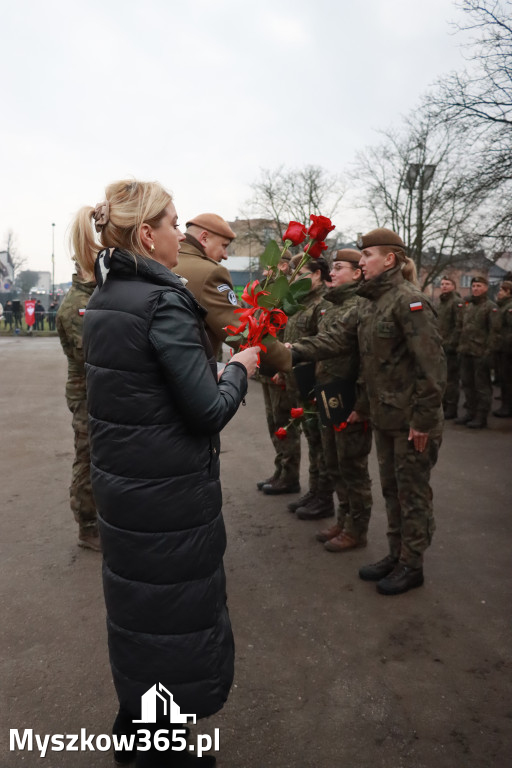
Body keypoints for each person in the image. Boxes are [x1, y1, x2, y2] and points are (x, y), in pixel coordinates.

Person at [73, 179, 259, 768]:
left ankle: (135, 726)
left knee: (140, 611)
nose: (183, 235)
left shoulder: (107, 295)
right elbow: (206, 411)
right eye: (175, 223)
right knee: (173, 618)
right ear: (147, 234)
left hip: (129, 489)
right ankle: (165, 749)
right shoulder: (163, 301)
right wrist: (238, 368)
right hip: (168, 497)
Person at [290, 249, 373, 550]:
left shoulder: (360, 305)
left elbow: (364, 359)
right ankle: (344, 519)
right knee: (335, 463)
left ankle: (357, 530)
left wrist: (362, 404)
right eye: (332, 267)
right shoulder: (332, 306)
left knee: (353, 468)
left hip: (348, 396)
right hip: (329, 393)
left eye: (339, 268)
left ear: (357, 272)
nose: (332, 273)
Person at [271, 256, 333, 511]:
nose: (296, 280)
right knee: (311, 436)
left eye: (302, 274)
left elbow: (325, 345)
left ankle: (324, 496)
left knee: (321, 443)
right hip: (299, 381)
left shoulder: (322, 304)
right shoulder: (300, 304)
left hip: (315, 382)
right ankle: (314, 491)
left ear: (318, 275)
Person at [56, 261, 99, 551]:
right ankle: (88, 527)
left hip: (96, 389)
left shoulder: (93, 297)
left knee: (100, 456)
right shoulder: (77, 305)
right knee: (87, 457)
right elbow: (92, 352)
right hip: (85, 391)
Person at [172, 213, 239, 358]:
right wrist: (288, 357)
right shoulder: (211, 273)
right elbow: (238, 330)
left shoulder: (164, 260)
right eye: (224, 246)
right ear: (204, 238)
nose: (225, 255)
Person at [456, 275, 498, 428]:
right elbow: (461, 326)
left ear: (486, 288)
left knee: (482, 386)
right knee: (467, 384)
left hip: (480, 353)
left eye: (479, 286)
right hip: (466, 350)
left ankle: (481, 416)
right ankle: (470, 413)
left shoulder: (490, 307)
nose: (475, 289)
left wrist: (488, 352)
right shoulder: (469, 305)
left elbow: (494, 332)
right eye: (473, 286)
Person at [437, 276, 464, 419]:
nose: (444, 286)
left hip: (450, 348)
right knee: (441, 378)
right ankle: (444, 404)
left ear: (454, 286)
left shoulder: (456, 302)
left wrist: (451, 343)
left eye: (447, 284)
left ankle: (452, 407)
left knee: (451, 379)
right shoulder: (441, 302)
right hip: (440, 346)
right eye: (442, 284)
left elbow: (459, 326)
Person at [492, 280, 512, 417]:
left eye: (501, 290)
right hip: (502, 347)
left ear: (508, 292)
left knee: (508, 380)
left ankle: (507, 407)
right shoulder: (502, 306)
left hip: (507, 349)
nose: (499, 293)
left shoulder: (509, 307)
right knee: (504, 379)